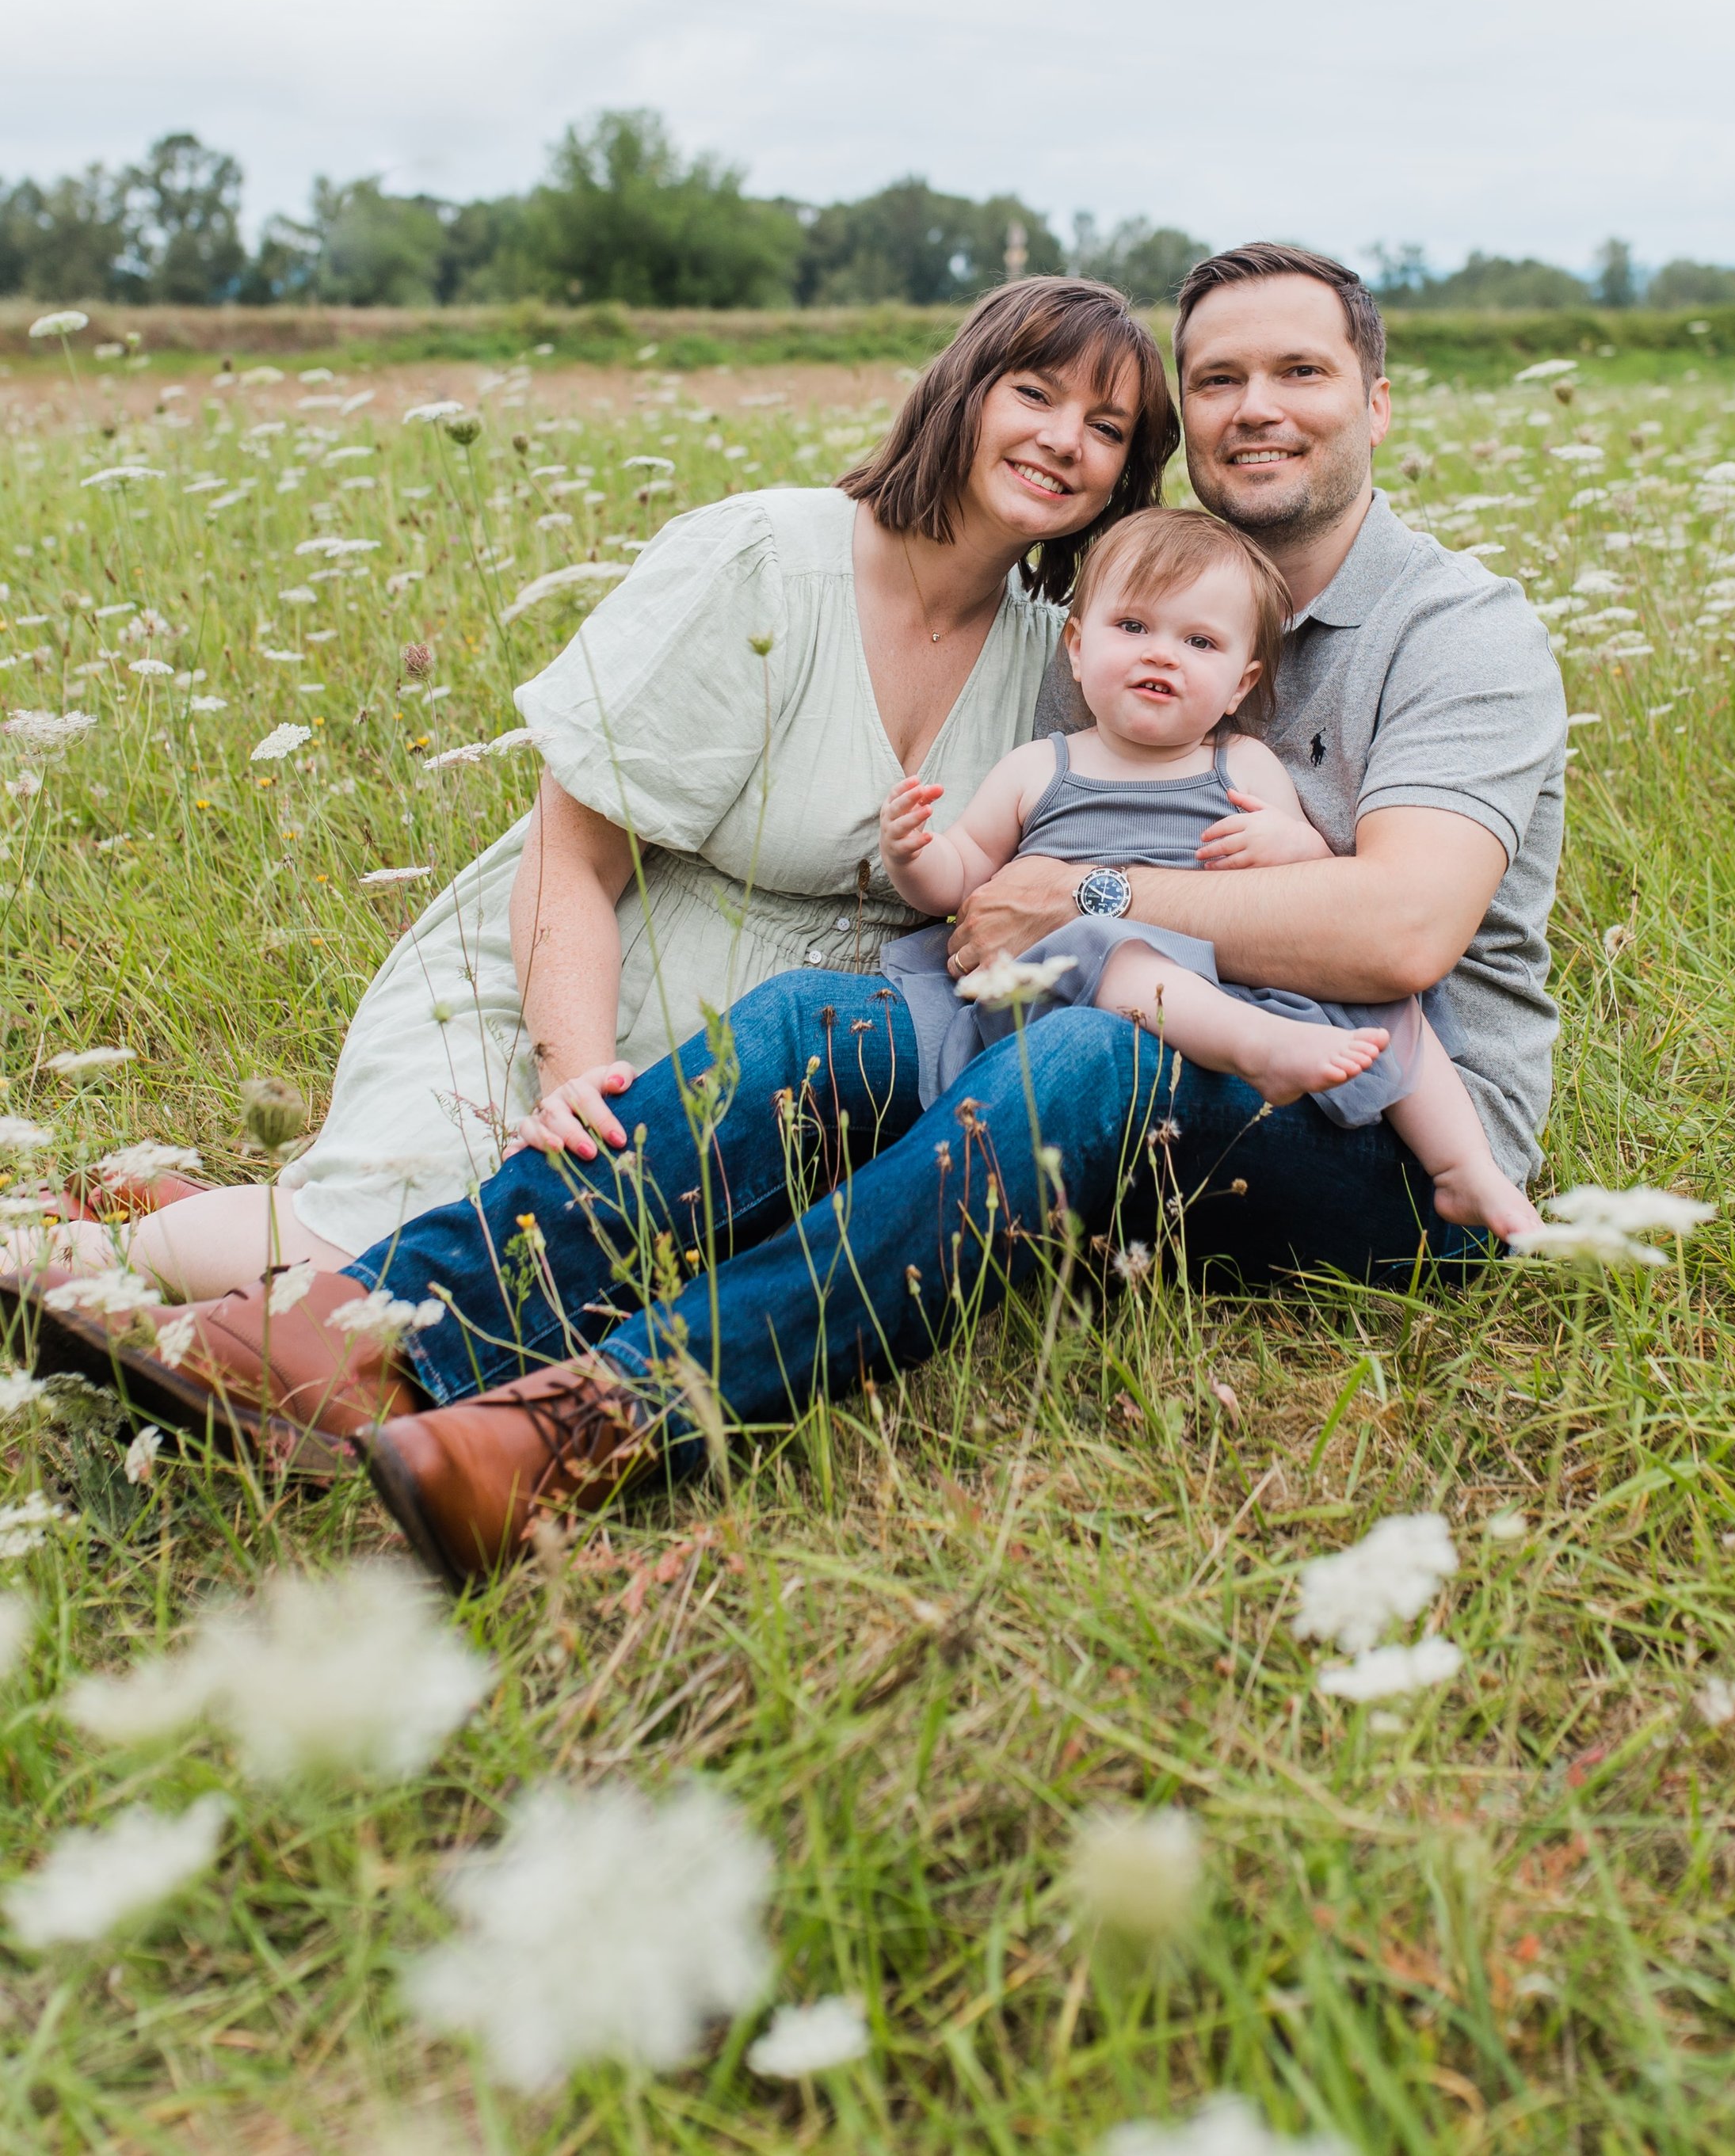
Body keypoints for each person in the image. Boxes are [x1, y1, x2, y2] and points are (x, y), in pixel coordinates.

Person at [17, 244, 1565, 1579]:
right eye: (1216, 375)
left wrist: (1064, 895)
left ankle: (589, 1421)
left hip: (1389, 1138)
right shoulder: (1104, 625)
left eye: (1297, 370)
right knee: (825, 1022)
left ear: (1373, 399)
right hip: (1112, 1063)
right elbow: (963, 868)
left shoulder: (1453, 633)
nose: (1251, 407)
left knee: (1088, 1050)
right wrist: (980, 896)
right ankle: (389, 1337)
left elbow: (1397, 938)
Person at [5, 275, 1173, 1316]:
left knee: (584, 1301)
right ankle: (72, 1254)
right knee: (372, 1262)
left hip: (773, 1079)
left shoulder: (1058, 660)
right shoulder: (764, 559)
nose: (1064, 439)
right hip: (566, 996)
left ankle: (172, 1239)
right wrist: (570, 1071)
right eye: (1034, 393)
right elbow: (571, 860)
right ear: (961, 394)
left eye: (1106, 426)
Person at [876, 504, 1534, 1241]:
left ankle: (1463, 1168)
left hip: (1235, 979)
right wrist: (913, 855)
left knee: (1390, 1008)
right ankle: (1254, 1048)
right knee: (1106, 948)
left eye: (1198, 641)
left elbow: (1310, 881)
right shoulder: (1040, 768)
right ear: (1075, 647)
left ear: (1239, 683)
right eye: (1132, 628)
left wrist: (1296, 849)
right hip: (1093, 989)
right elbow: (967, 882)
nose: (1163, 654)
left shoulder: (1242, 765)